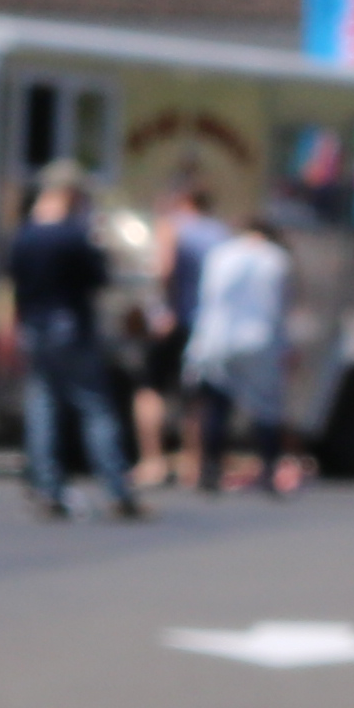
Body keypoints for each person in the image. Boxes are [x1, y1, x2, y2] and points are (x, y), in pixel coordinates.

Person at [0, 164, 141, 521]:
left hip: (34, 327)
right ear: (70, 194)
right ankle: (117, 490)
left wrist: (10, 329)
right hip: (71, 326)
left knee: (42, 406)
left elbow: (12, 284)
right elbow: (99, 278)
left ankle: (47, 488)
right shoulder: (74, 235)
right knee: (95, 407)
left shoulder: (25, 235)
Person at [184, 206, 299, 493]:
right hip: (258, 338)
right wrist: (286, 345)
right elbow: (278, 308)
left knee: (217, 404)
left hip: (217, 338)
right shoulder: (276, 259)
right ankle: (269, 471)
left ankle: (209, 471)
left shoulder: (220, 254)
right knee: (266, 408)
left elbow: (208, 298)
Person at [133, 180, 223, 494]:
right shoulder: (219, 233)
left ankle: (153, 461)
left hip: (177, 318)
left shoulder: (172, 227)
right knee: (195, 394)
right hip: (207, 323)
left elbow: (165, 268)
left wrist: (163, 308)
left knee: (150, 388)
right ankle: (194, 464)